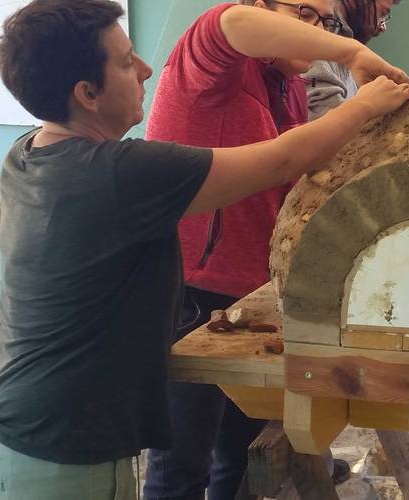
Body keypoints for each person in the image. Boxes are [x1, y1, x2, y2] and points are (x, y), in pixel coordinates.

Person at [0, 0, 409, 498]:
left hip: (15, 430)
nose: (146, 68)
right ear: (87, 93)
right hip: (53, 456)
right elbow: (281, 158)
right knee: (182, 468)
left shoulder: (29, 153)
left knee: (230, 459)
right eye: (125, 61)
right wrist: (367, 99)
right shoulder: (124, 173)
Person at [141, 1, 357, 498]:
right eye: (303, 12)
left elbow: (290, 181)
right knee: (180, 464)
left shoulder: (288, 89)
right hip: (189, 293)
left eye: (326, 21)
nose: (316, 30)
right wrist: (355, 55)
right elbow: (232, 23)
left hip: (250, 299)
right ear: (262, 7)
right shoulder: (213, 66)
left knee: (239, 459)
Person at [305, 0, 401, 119]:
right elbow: (328, 129)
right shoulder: (321, 41)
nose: (383, 27)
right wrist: (369, 105)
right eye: (382, 14)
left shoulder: (347, 44)